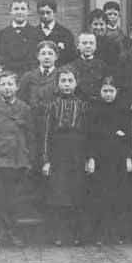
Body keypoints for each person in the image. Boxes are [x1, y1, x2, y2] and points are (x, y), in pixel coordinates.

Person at [0, 71, 33, 247]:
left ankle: (13, 231)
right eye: (3, 84)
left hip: (18, 159)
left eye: (10, 84)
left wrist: (29, 158)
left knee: (15, 198)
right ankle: (2, 231)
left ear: (17, 87)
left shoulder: (25, 109)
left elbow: (30, 135)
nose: (7, 88)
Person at [42, 67, 91, 246]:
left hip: (77, 152)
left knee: (76, 193)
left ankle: (77, 234)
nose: (67, 84)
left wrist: (88, 158)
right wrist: (46, 160)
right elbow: (47, 133)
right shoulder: (52, 105)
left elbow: (87, 133)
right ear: (58, 83)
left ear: (76, 83)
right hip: (58, 152)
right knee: (59, 194)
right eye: (63, 81)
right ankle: (59, 234)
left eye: (70, 81)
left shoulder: (82, 105)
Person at [86, 76, 132, 245]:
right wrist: (91, 158)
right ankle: (100, 233)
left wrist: (129, 157)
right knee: (100, 196)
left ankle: (116, 233)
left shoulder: (122, 111)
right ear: (100, 92)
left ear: (117, 92)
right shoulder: (94, 111)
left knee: (118, 196)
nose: (108, 94)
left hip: (117, 160)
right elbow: (91, 136)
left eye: (111, 91)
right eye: (105, 91)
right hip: (100, 159)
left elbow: (128, 136)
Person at [18, 41, 59, 168]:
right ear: (37, 56)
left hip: (53, 125)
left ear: (56, 56)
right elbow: (21, 100)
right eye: (43, 53)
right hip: (32, 125)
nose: (47, 57)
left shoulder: (61, 76)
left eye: (50, 53)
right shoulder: (28, 77)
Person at [0, 0, 42, 75]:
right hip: (9, 78)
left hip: (30, 77)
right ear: (10, 12)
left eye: (23, 9)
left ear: (28, 12)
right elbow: (0, 60)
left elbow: (38, 60)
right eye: (16, 9)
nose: (19, 12)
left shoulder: (37, 33)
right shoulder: (3, 34)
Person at [68, 32, 108, 103]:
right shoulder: (71, 67)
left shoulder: (103, 66)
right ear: (78, 46)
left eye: (91, 43)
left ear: (96, 46)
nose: (88, 46)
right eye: (84, 43)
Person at [37, 0, 75, 66]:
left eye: (48, 12)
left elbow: (71, 58)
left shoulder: (66, 34)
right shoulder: (33, 32)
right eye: (42, 13)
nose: (45, 16)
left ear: (54, 12)